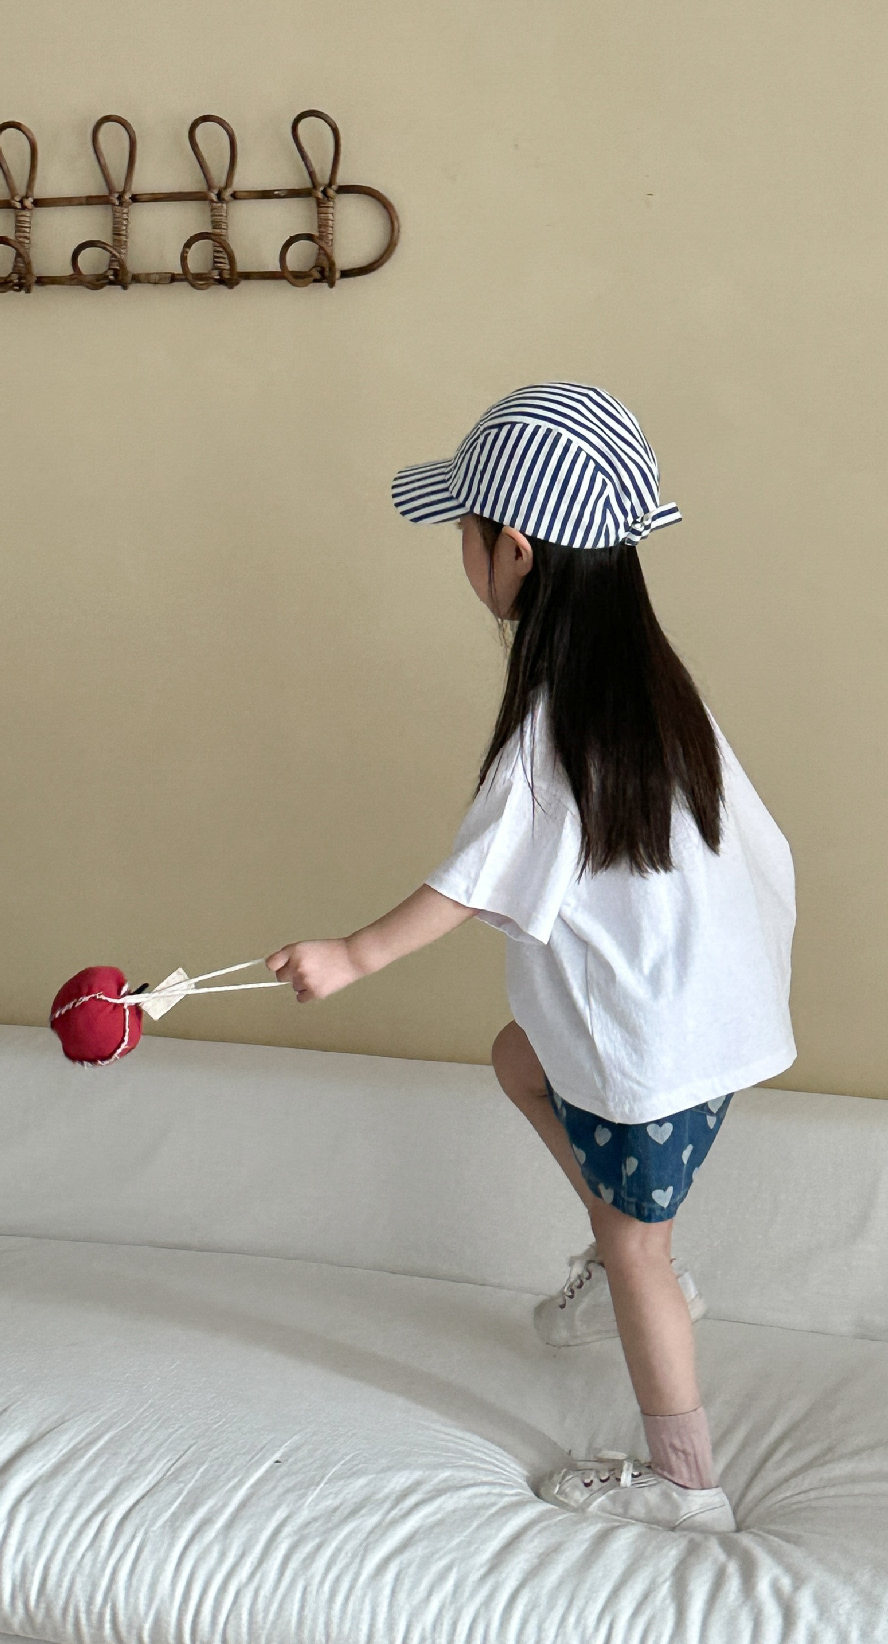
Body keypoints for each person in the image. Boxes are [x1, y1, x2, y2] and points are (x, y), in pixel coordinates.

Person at [267, 383, 795, 1534]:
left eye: (464, 531)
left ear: (513, 547)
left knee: (638, 1246)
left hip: (655, 1047)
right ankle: (625, 1258)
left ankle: (685, 1482)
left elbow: (473, 879)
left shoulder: (558, 728)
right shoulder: (655, 694)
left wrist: (351, 956)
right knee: (519, 1056)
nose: (463, 555)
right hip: (711, 1028)